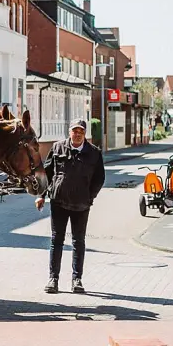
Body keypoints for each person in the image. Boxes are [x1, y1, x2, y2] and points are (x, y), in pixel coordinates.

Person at [35, 118, 106, 294]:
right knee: (56, 240)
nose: (77, 134)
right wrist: (41, 195)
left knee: (78, 242)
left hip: (81, 204)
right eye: (75, 131)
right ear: (69, 132)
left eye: (81, 131)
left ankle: (77, 279)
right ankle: (53, 279)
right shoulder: (58, 148)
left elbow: (99, 179)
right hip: (58, 202)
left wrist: (90, 197)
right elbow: (47, 173)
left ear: (85, 134)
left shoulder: (94, 153)